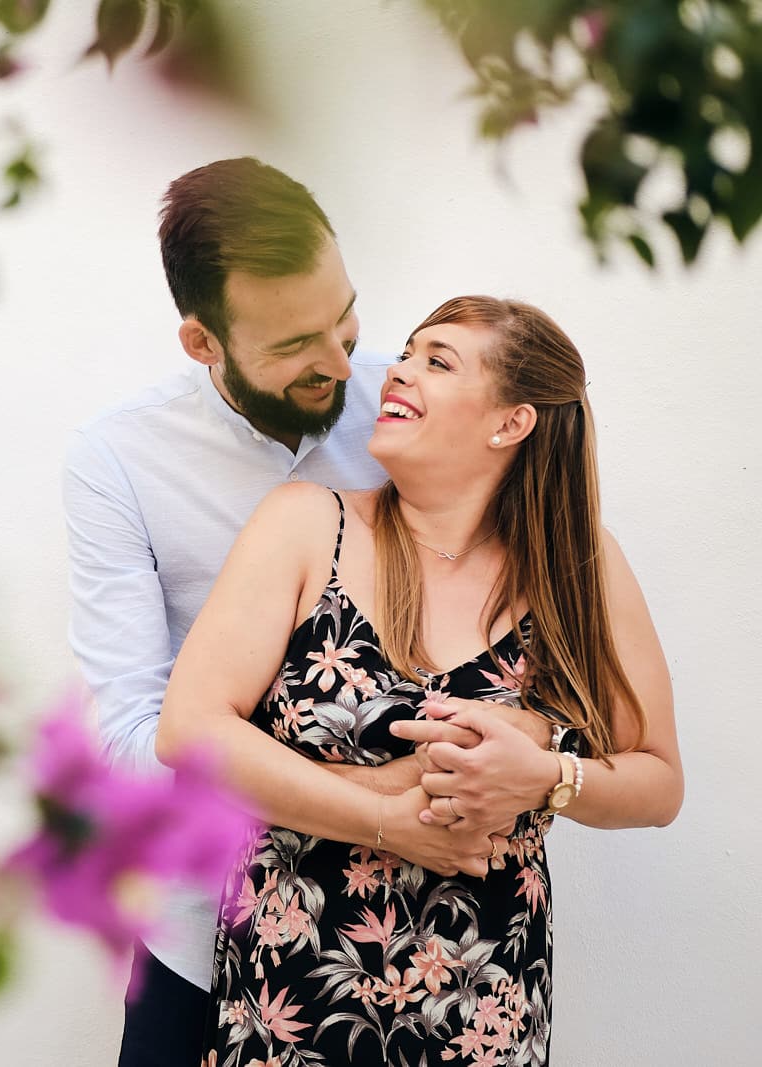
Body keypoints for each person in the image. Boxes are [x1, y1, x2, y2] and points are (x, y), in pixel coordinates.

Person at [65, 158, 558, 1066]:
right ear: (203, 343)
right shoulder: (118, 463)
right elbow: (133, 736)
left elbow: (527, 604)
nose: (343, 361)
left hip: (432, 947)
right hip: (201, 934)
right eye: (297, 343)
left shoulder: (412, 406)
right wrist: (374, 794)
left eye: (345, 316)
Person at [156, 296, 683, 1065]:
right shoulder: (308, 524)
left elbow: (658, 780)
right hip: (294, 998)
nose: (399, 371)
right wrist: (386, 819)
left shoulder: (579, 565)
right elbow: (192, 730)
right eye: (407, 352)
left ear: (511, 422)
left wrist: (546, 777)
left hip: (484, 1004)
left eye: (438, 361)